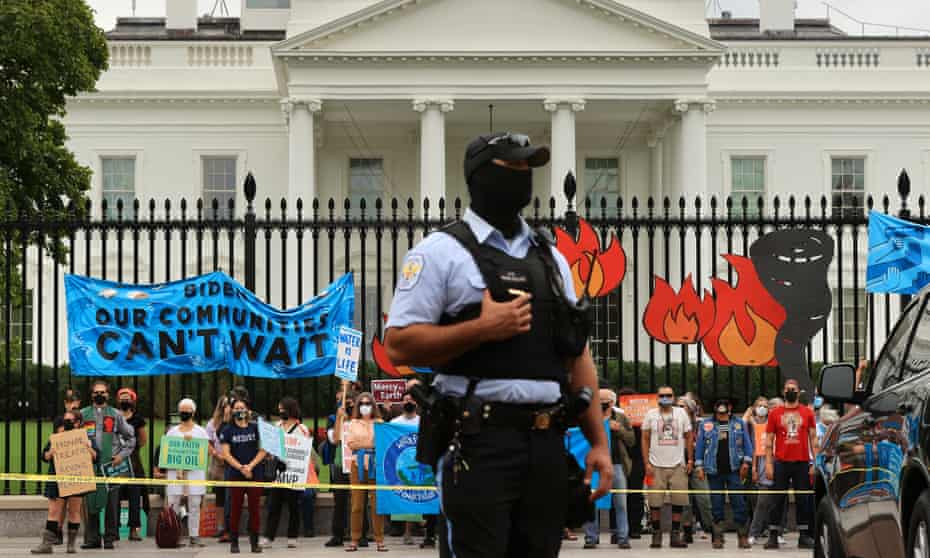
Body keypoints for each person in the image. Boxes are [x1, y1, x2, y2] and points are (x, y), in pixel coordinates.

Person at [383, 131, 611, 558]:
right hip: (478, 441)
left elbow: (576, 353)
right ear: (482, 176)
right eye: (514, 168)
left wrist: (598, 442)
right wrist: (482, 328)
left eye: (529, 169)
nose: (524, 177)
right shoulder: (440, 252)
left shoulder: (551, 257)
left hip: (545, 443)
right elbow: (399, 344)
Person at [80, 381, 136, 550]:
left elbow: (130, 437)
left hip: (110, 465)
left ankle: (110, 537)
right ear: (91, 395)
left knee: (112, 502)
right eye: (96, 392)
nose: (99, 395)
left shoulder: (116, 414)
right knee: (91, 501)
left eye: (103, 392)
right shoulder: (83, 414)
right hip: (90, 465)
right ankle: (93, 538)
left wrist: (121, 455)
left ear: (108, 395)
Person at [31, 411, 97, 554]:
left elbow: (96, 456)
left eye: (70, 421)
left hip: (76, 479)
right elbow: (44, 456)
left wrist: (88, 448)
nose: (66, 423)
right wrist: (50, 453)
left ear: (78, 422)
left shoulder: (85, 437)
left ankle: (71, 545)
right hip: (57, 479)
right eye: (64, 420)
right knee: (54, 511)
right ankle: (46, 544)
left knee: (74, 511)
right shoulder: (57, 437)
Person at [764, 379, 817, 550]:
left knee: (803, 500)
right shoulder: (774, 413)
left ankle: (804, 535)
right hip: (781, 462)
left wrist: (815, 462)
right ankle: (773, 535)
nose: (790, 391)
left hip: (801, 462)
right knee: (777, 500)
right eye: (788, 389)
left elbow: (813, 439)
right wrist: (769, 464)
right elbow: (768, 441)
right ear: (783, 391)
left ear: (799, 391)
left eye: (793, 389)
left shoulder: (807, 413)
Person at [694, 398, 753, 549]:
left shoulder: (739, 423)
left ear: (730, 408)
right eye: (719, 408)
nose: (721, 412)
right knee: (716, 504)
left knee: (739, 502)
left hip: (734, 470)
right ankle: (717, 536)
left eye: (724, 409)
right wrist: (699, 466)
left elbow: (747, 444)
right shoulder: (705, 424)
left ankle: (742, 536)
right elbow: (700, 446)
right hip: (713, 471)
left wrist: (746, 463)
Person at [641, 386, 692, 549]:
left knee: (679, 501)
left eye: (668, 395)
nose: (665, 398)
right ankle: (656, 535)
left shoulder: (681, 413)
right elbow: (644, 439)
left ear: (673, 397)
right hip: (655, 464)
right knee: (655, 502)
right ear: (657, 397)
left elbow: (689, 436)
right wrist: (646, 463)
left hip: (678, 464)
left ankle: (675, 535)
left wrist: (690, 459)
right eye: (662, 395)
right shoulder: (650, 414)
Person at [583, 388, 634, 550]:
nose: (600, 403)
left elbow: (632, 440)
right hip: (595, 466)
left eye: (604, 401)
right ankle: (591, 537)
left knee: (620, 503)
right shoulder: (588, 416)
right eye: (598, 400)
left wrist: (619, 430)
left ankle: (623, 537)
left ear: (612, 402)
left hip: (617, 465)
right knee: (592, 501)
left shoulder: (621, 417)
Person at [158, 398, 208, 547]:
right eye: (182, 411)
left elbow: (205, 453)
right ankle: (173, 535)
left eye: (187, 411)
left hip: (194, 475)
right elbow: (166, 453)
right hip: (175, 475)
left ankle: (194, 536)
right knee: (173, 505)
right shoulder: (172, 432)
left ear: (193, 412)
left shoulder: (201, 432)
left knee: (194, 505)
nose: (184, 413)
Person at [262, 396, 311, 549]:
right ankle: (269, 537)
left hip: (294, 474)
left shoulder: (302, 429)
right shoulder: (276, 426)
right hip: (278, 473)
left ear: (290, 410)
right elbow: (269, 448)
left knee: (294, 506)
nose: (280, 412)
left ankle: (292, 536)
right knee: (273, 505)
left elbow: (305, 452)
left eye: (282, 409)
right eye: (279, 410)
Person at [220, 397, 267, 554]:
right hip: (236, 473)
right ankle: (234, 541)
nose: (240, 411)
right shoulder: (227, 430)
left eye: (242, 408)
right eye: (237, 408)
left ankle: (254, 541)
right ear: (232, 411)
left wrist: (251, 466)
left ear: (248, 411)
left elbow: (264, 450)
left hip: (255, 473)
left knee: (255, 508)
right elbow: (226, 454)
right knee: (235, 508)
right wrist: (241, 468)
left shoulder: (256, 428)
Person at [342, 392, 386, 552]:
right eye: (362, 404)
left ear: (373, 406)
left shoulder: (380, 422)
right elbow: (351, 444)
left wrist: (366, 445)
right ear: (358, 406)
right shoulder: (353, 423)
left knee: (376, 505)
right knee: (357, 505)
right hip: (357, 464)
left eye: (368, 403)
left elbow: (382, 443)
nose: (365, 406)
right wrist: (369, 445)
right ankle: (354, 539)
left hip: (376, 464)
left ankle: (380, 540)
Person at [388, 394, 429, 546]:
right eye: (405, 400)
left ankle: (423, 527)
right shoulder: (394, 422)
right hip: (401, 464)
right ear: (401, 403)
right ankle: (407, 531)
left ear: (416, 403)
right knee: (405, 497)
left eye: (411, 399)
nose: (408, 402)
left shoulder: (422, 421)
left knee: (422, 496)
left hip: (420, 463)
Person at [115, 387, 147, 542]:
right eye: (122, 397)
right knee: (115, 496)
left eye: (127, 398)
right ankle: (113, 528)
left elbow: (142, 440)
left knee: (135, 496)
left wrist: (130, 450)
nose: (124, 400)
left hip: (133, 462)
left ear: (132, 400)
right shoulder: (113, 417)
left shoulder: (138, 419)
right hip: (116, 462)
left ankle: (134, 529)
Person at [617, 387, 645, 540]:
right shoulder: (614, 416)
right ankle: (618, 530)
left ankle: (635, 527)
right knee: (618, 496)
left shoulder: (642, 418)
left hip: (637, 459)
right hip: (619, 459)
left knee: (635, 494)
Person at [206, 395, 231, 541]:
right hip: (218, 463)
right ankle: (220, 527)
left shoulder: (236, 422)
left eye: (228, 405)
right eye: (224, 405)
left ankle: (230, 526)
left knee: (231, 496)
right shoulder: (212, 424)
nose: (226, 408)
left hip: (232, 462)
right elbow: (208, 443)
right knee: (220, 497)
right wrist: (216, 455)